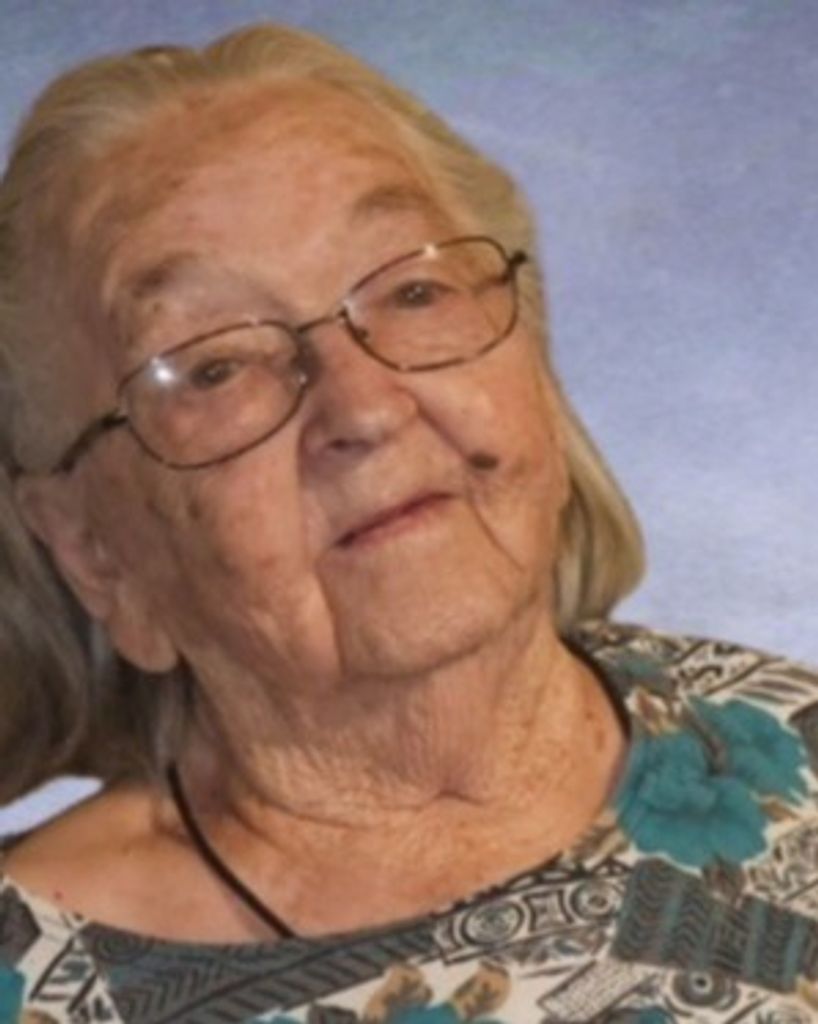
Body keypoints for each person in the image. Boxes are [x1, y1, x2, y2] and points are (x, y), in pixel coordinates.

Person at [0, 22, 816, 1024]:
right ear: (93, 549)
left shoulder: (797, 746)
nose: (365, 406)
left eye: (413, 291)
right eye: (214, 367)